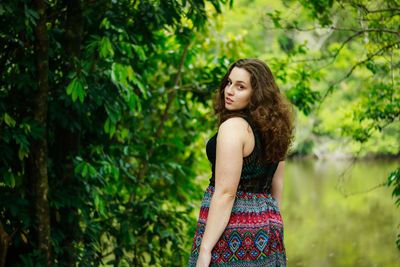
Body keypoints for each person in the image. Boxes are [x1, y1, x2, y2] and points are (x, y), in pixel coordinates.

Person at [188, 58, 294, 267]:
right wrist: (276, 237)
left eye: (240, 86)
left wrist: (206, 249)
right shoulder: (276, 129)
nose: (229, 91)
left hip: (232, 228)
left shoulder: (234, 127)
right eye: (229, 83)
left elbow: (226, 193)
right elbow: (277, 185)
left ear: (257, 94)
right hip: (266, 227)